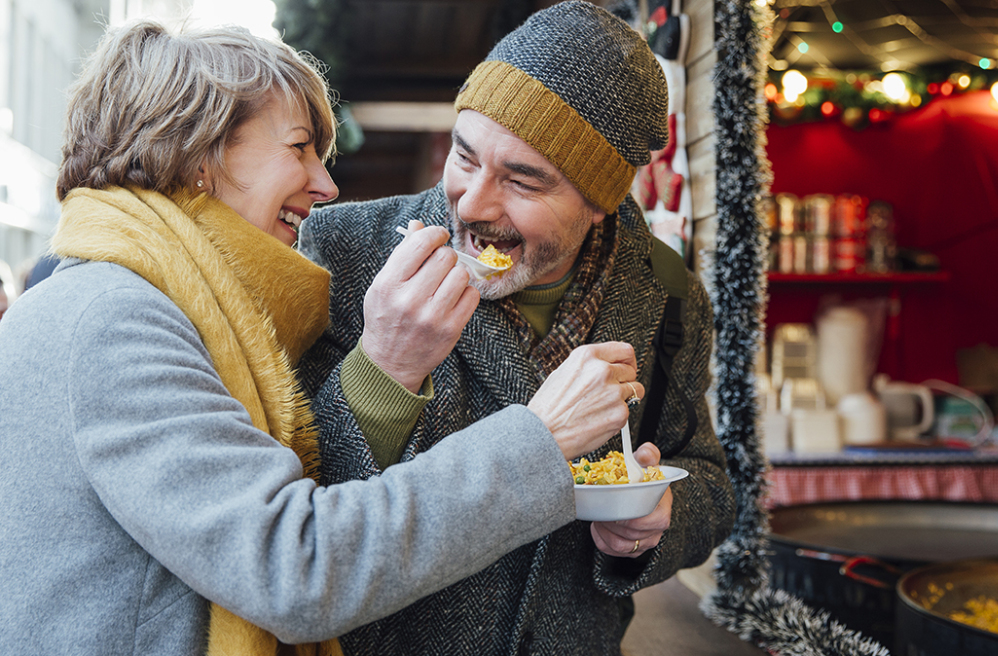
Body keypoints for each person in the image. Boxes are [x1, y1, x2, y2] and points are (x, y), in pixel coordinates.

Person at [0, 19, 645, 656]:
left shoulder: (166, 304)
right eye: (299, 147)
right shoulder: (115, 319)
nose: (326, 185)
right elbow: (295, 566)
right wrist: (540, 439)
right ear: (201, 155)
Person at [297, 2, 737, 654]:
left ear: (598, 204)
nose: (472, 203)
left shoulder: (669, 295)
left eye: (523, 180)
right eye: (464, 156)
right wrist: (383, 366)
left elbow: (707, 475)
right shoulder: (344, 253)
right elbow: (288, 521)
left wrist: (661, 523)